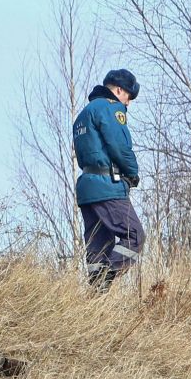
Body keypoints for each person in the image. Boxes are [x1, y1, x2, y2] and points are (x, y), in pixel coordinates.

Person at [73, 68, 145, 290]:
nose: (128, 104)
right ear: (119, 90)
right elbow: (120, 146)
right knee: (135, 236)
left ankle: (96, 299)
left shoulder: (83, 114)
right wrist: (132, 173)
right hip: (107, 187)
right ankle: (107, 275)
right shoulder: (110, 108)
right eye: (128, 97)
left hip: (87, 188)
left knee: (98, 247)